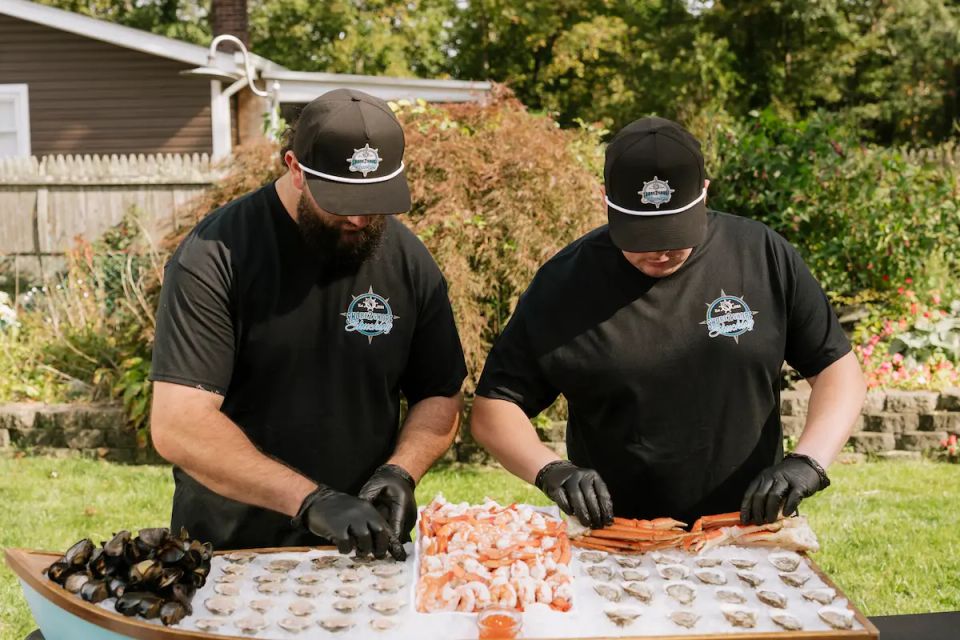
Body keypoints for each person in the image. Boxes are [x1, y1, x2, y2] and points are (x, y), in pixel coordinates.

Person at [470, 116, 865, 530]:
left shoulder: (763, 255)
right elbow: (495, 406)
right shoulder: (564, 283)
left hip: (748, 527)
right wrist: (551, 470)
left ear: (705, 192)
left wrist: (807, 462)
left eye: (675, 231)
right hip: (616, 534)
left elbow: (837, 370)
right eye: (641, 235)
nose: (660, 251)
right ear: (604, 198)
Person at [149, 89, 467, 559]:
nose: (359, 217)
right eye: (341, 200)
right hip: (234, 549)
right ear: (295, 168)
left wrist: (402, 470)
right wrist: (309, 500)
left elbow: (440, 393)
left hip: (364, 546)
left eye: (375, 199)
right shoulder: (216, 255)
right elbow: (179, 423)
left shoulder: (408, 260)